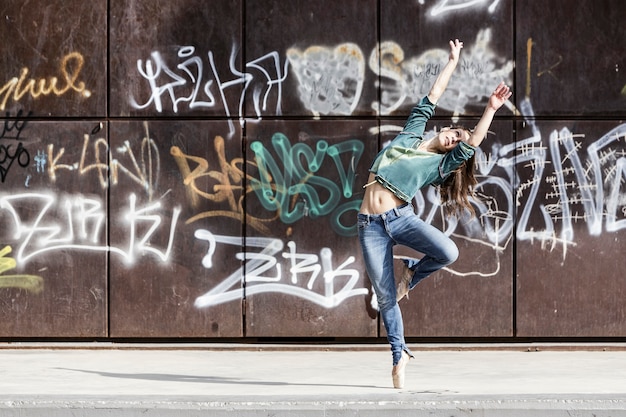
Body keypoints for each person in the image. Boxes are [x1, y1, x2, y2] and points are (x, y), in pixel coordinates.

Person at [357, 38, 512, 389]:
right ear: (444, 129)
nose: (454, 140)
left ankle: (412, 275)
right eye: (453, 133)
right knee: (384, 298)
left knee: (449, 251)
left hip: (399, 217)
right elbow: (433, 94)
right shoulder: (412, 132)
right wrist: (453, 62)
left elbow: (473, 142)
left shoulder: (439, 166)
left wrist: (490, 108)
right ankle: (400, 355)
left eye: (457, 142)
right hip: (369, 225)